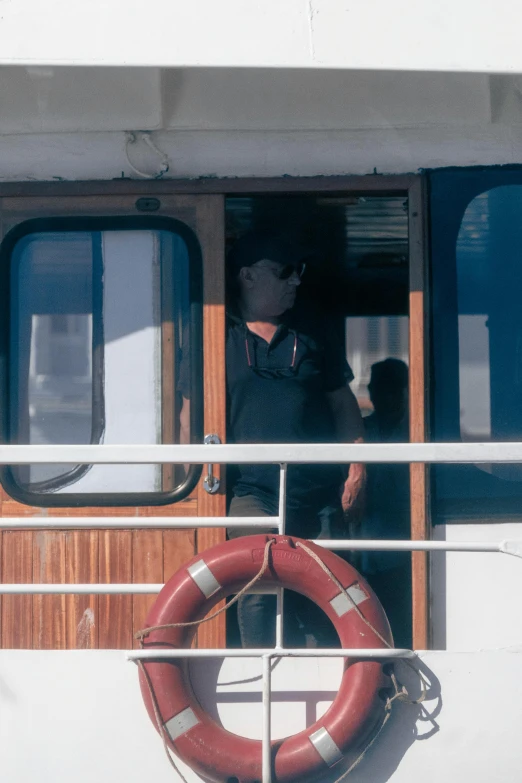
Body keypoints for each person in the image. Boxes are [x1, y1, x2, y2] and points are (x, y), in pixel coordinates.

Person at [224, 231, 366, 648]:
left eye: (299, 272)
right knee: (258, 592)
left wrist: (357, 472)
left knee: (327, 593)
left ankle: (335, 686)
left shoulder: (314, 334)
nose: (296, 281)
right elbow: (187, 413)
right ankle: (259, 673)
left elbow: (344, 408)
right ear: (247, 276)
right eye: (285, 271)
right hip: (250, 491)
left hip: (317, 491)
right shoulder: (216, 337)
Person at [359, 358, 412, 648]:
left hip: (409, 551)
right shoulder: (359, 433)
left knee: (403, 623)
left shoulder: (419, 432)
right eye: (377, 388)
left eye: (391, 389)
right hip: (365, 551)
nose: (383, 395)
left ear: (406, 391)